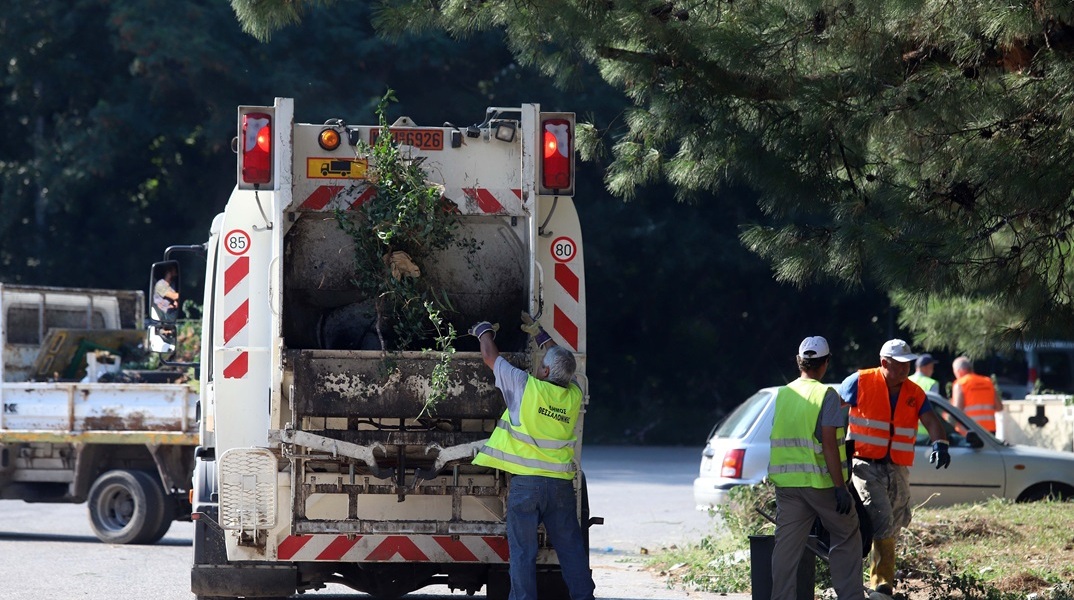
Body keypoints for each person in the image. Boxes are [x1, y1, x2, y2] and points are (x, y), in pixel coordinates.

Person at [468, 317, 595, 600]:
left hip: (527, 487)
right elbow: (565, 366)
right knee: (571, 550)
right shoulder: (573, 394)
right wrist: (540, 335)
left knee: (523, 553)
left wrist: (483, 330)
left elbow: (490, 356)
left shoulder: (526, 387)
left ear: (546, 369)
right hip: (560, 488)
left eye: (542, 364)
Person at [840, 339, 951, 597]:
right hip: (865, 465)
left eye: (908, 364)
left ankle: (877, 577)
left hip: (897, 467)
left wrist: (940, 444)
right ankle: (882, 584)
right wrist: (834, 448)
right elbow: (833, 412)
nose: (905, 370)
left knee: (898, 520)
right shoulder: (859, 382)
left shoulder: (914, 392)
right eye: (899, 365)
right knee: (882, 518)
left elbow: (932, 420)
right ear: (884, 363)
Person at [769, 336, 863, 600]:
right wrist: (840, 487)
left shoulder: (784, 393)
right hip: (821, 485)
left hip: (787, 485)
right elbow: (830, 446)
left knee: (786, 547)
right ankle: (851, 596)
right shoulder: (826, 395)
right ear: (826, 363)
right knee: (846, 533)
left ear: (800, 362)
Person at [951, 356, 1003, 434]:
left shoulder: (960, 384)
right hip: (989, 431)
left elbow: (956, 411)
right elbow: (999, 407)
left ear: (959, 371)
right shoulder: (988, 382)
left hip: (969, 431)